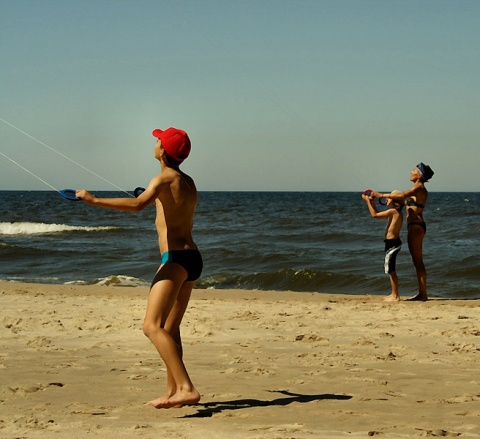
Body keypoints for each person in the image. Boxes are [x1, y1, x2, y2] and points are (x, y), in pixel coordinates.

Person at [76, 127, 203, 409]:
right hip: (193, 258)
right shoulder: (187, 181)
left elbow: (137, 205)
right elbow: (166, 203)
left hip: (175, 261)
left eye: (158, 140)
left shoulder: (162, 178)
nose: (155, 142)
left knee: (151, 326)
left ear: (164, 151)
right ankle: (173, 392)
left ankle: (186, 388)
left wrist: (93, 200)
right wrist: (154, 194)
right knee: (170, 329)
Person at [372, 162, 434, 301]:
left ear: (419, 175)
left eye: (414, 170)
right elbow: (399, 199)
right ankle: (422, 293)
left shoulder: (419, 187)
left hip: (416, 226)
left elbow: (403, 196)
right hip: (414, 226)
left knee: (418, 261)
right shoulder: (416, 187)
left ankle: (423, 294)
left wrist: (380, 195)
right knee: (416, 261)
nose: (411, 171)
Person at [362, 190, 404, 302]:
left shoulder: (394, 212)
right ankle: (393, 293)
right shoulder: (394, 212)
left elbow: (374, 215)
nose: (386, 199)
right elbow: (377, 213)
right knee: (390, 269)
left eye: (389, 197)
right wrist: (372, 202)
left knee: (391, 269)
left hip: (393, 243)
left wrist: (367, 202)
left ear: (395, 202)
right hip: (391, 243)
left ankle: (395, 295)